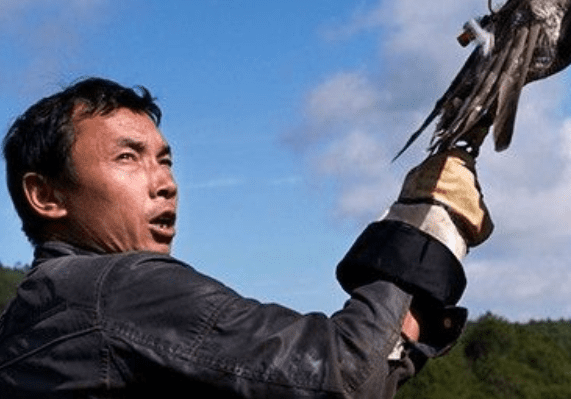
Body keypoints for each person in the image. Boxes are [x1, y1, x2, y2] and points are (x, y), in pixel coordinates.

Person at [0, 77, 493, 398]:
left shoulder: (30, 319)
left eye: (164, 159)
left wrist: (399, 328)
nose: (164, 181)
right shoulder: (118, 288)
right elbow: (342, 377)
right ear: (46, 195)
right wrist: (426, 216)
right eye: (127, 157)